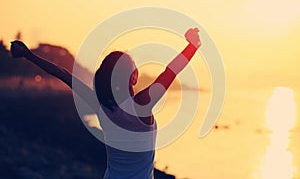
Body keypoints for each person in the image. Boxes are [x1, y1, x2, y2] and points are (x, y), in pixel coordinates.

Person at [10, 28, 201, 179]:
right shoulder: (141, 105)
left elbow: (63, 74)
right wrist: (192, 45)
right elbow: (171, 71)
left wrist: (28, 55)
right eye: (136, 68)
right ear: (133, 77)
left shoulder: (101, 106)